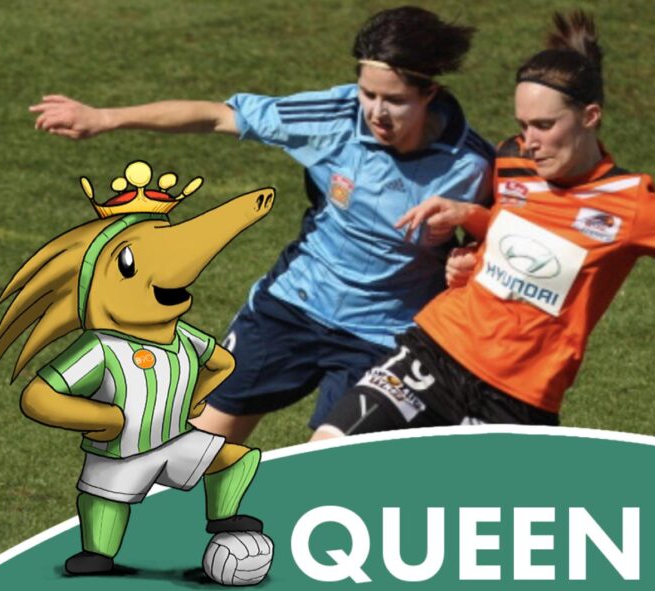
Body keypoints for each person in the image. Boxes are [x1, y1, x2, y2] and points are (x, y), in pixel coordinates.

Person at [312, 11, 655, 439]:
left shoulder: (635, 206)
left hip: (518, 400)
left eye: (544, 125)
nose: (529, 140)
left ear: (589, 118)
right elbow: (504, 233)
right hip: (436, 352)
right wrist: (472, 225)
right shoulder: (510, 162)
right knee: (329, 449)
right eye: (522, 125)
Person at [30, 7, 494, 442]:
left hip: (384, 335)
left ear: (429, 92)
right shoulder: (331, 118)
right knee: (194, 449)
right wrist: (104, 118)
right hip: (293, 307)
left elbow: (500, 238)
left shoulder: (471, 164)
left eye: (394, 100)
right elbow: (217, 116)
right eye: (368, 94)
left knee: (334, 464)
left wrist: (467, 258)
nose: (376, 112)